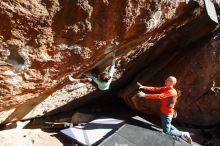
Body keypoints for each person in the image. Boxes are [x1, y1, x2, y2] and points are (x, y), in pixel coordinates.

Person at [137, 76, 192, 144]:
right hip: (164, 112)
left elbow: (159, 96)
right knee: (167, 124)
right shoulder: (167, 88)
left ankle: (183, 134)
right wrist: (144, 87)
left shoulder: (171, 91)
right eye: (167, 79)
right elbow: (156, 89)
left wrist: (144, 95)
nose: (166, 80)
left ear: (172, 83)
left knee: (167, 131)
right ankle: (181, 134)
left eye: (168, 80)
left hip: (167, 114)